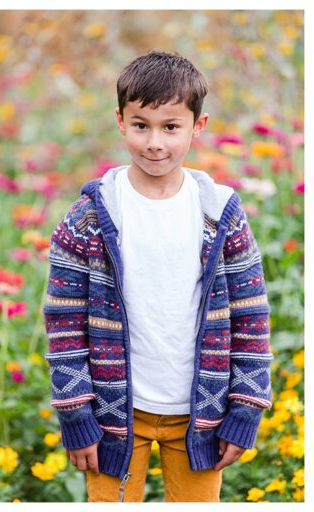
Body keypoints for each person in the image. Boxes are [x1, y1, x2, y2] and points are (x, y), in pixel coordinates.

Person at [44, 50, 272, 502]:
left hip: (200, 414)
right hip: (113, 414)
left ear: (197, 126)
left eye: (171, 127)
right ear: (120, 121)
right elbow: (63, 322)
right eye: (141, 125)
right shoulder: (89, 217)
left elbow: (252, 317)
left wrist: (245, 407)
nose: (155, 142)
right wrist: (75, 412)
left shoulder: (220, 215)